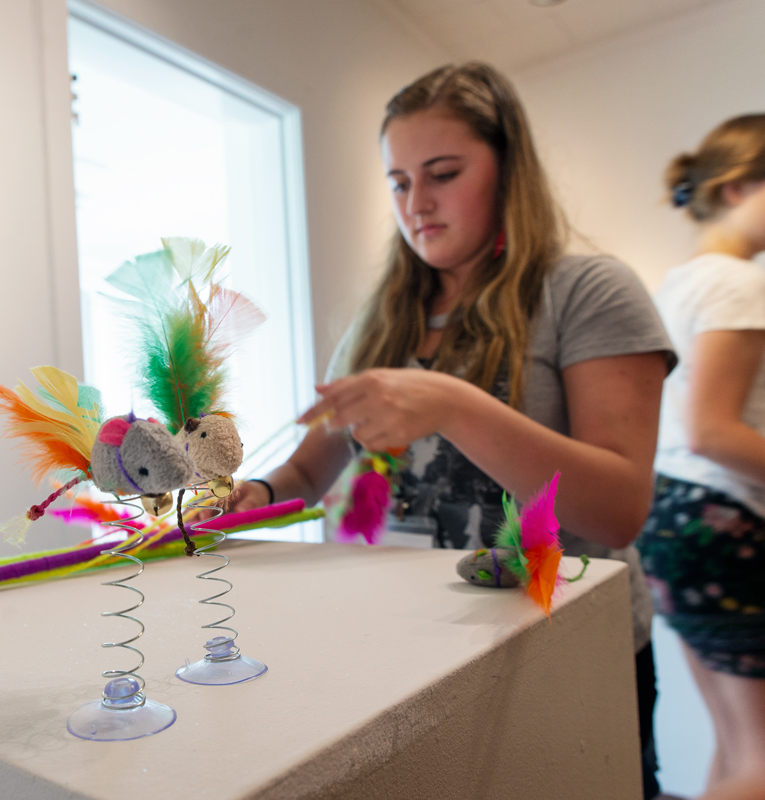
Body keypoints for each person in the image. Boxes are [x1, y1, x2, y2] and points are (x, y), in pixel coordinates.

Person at [229, 62, 675, 799]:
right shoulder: (383, 317)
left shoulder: (586, 292)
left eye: (442, 173)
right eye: (398, 182)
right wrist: (256, 491)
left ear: (508, 169)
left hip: (560, 649)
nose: (417, 203)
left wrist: (454, 405)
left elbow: (619, 507)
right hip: (404, 650)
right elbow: (309, 472)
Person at [638, 113, 765, 800]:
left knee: (739, 750)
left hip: (675, 521)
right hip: (729, 525)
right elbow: (714, 434)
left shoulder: (682, 282)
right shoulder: (738, 282)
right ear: (735, 188)